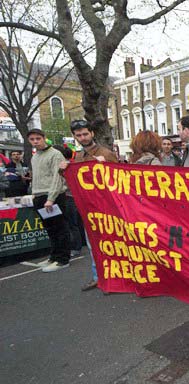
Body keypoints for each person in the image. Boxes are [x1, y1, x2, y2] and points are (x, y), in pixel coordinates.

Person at [60, 119, 118, 291]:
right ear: (74, 136)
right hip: (89, 208)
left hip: (107, 208)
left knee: (112, 244)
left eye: (85, 133)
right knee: (93, 244)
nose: (83, 137)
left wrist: (104, 165)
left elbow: (120, 179)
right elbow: (76, 182)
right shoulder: (78, 156)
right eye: (78, 135)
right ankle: (98, 277)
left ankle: (115, 278)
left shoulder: (105, 153)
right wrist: (64, 170)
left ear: (92, 133)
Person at [28, 128, 71, 272]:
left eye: (38, 139)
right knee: (50, 229)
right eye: (32, 139)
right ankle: (53, 257)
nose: (35, 142)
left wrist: (51, 198)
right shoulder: (35, 156)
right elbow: (37, 176)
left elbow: (57, 177)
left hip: (53, 197)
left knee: (60, 228)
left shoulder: (55, 154)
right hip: (40, 196)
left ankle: (63, 259)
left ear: (44, 138)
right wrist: (34, 193)